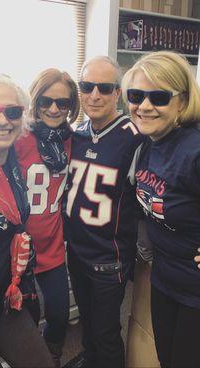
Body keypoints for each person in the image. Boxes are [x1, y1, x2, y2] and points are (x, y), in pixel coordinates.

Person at [63, 56, 144, 368]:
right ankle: (90, 359)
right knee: (88, 325)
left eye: (104, 87)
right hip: (77, 252)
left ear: (117, 93)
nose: (95, 94)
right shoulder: (76, 133)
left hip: (108, 259)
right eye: (87, 86)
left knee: (107, 332)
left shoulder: (135, 137)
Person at [122, 50, 200, 368]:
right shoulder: (149, 143)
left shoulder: (193, 150)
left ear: (181, 101)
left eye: (158, 97)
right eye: (136, 95)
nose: (144, 106)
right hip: (165, 280)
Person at [0, 74, 54, 368]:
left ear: (22, 116)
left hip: (3, 299)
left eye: (12, 111)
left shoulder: (12, 159)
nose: (1, 120)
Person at [15, 68, 80, 368]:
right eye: (46, 101)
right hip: (17, 250)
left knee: (57, 313)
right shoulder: (17, 137)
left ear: (71, 106)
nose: (54, 108)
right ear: (35, 100)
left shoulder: (72, 141)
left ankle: (51, 356)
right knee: (24, 317)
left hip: (52, 247)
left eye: (62, 103)